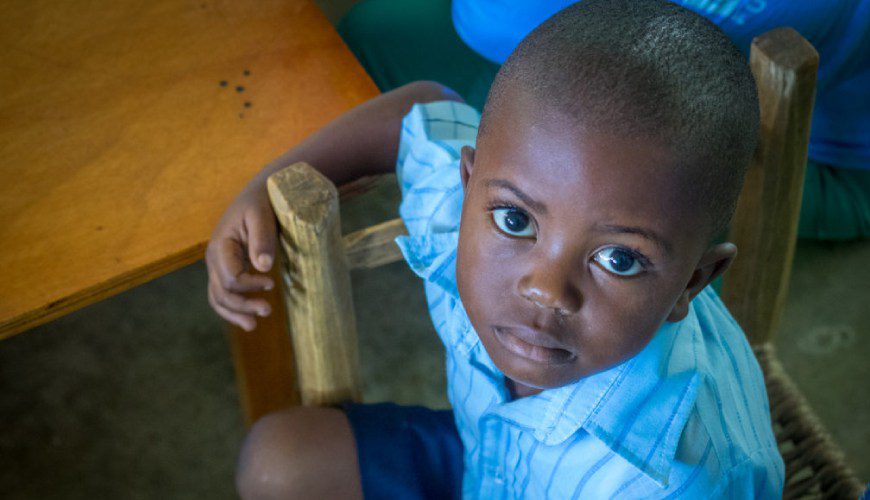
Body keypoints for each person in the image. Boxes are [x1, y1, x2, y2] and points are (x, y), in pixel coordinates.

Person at [207, 1, 784, 497]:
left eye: (619, 259)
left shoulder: (684, 479)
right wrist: (267, 184)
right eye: (515, 220)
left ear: (693, 281)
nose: (545, 289)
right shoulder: (465, 210)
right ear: (469, 183)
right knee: (278, 463)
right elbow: (422, 108)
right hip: (488, 459)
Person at [339, 0, 870, 241]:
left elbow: (496, 20)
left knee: (553, 127)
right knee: (371, 32)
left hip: (826, 160)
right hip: (660, 54)